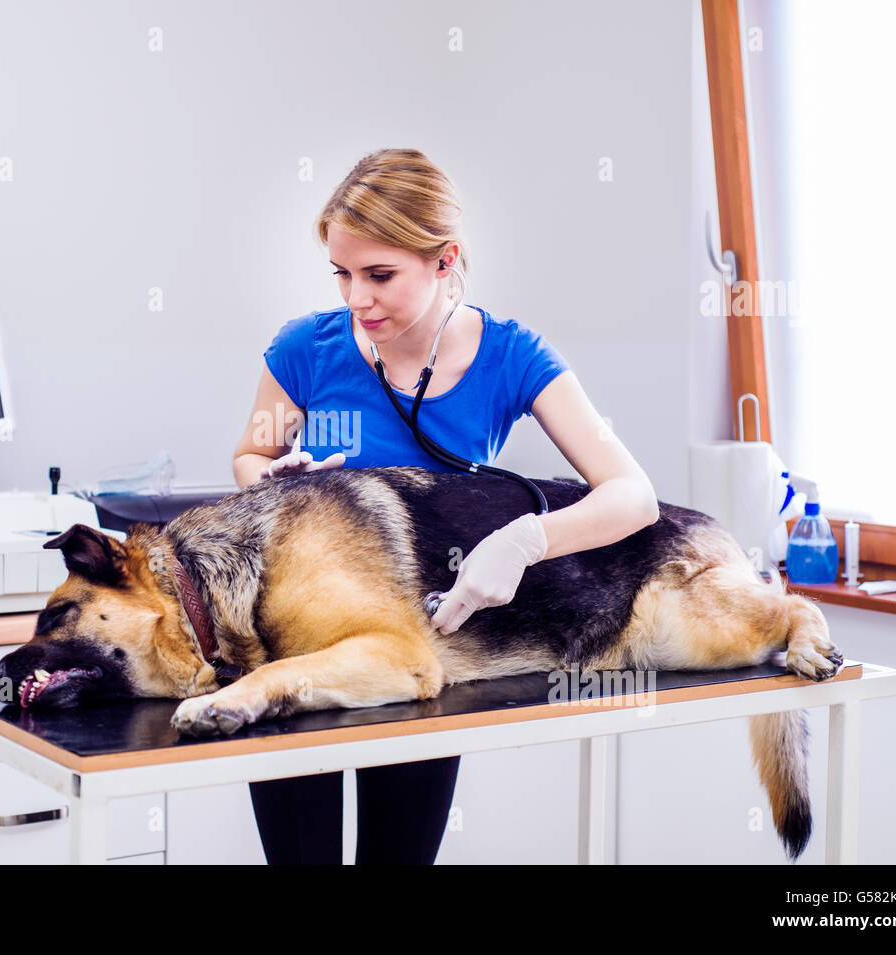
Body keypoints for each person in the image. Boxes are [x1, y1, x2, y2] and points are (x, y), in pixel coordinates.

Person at [231, 148, 660, 865]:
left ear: (444, 259)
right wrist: (275, 477)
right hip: (298, 636)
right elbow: (248, 456)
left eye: (379, 275)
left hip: (419, 645)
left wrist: (523, 541)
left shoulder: (513, 356)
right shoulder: (306, 346)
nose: (356, 299)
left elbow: (633, 494)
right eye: (342, 274)